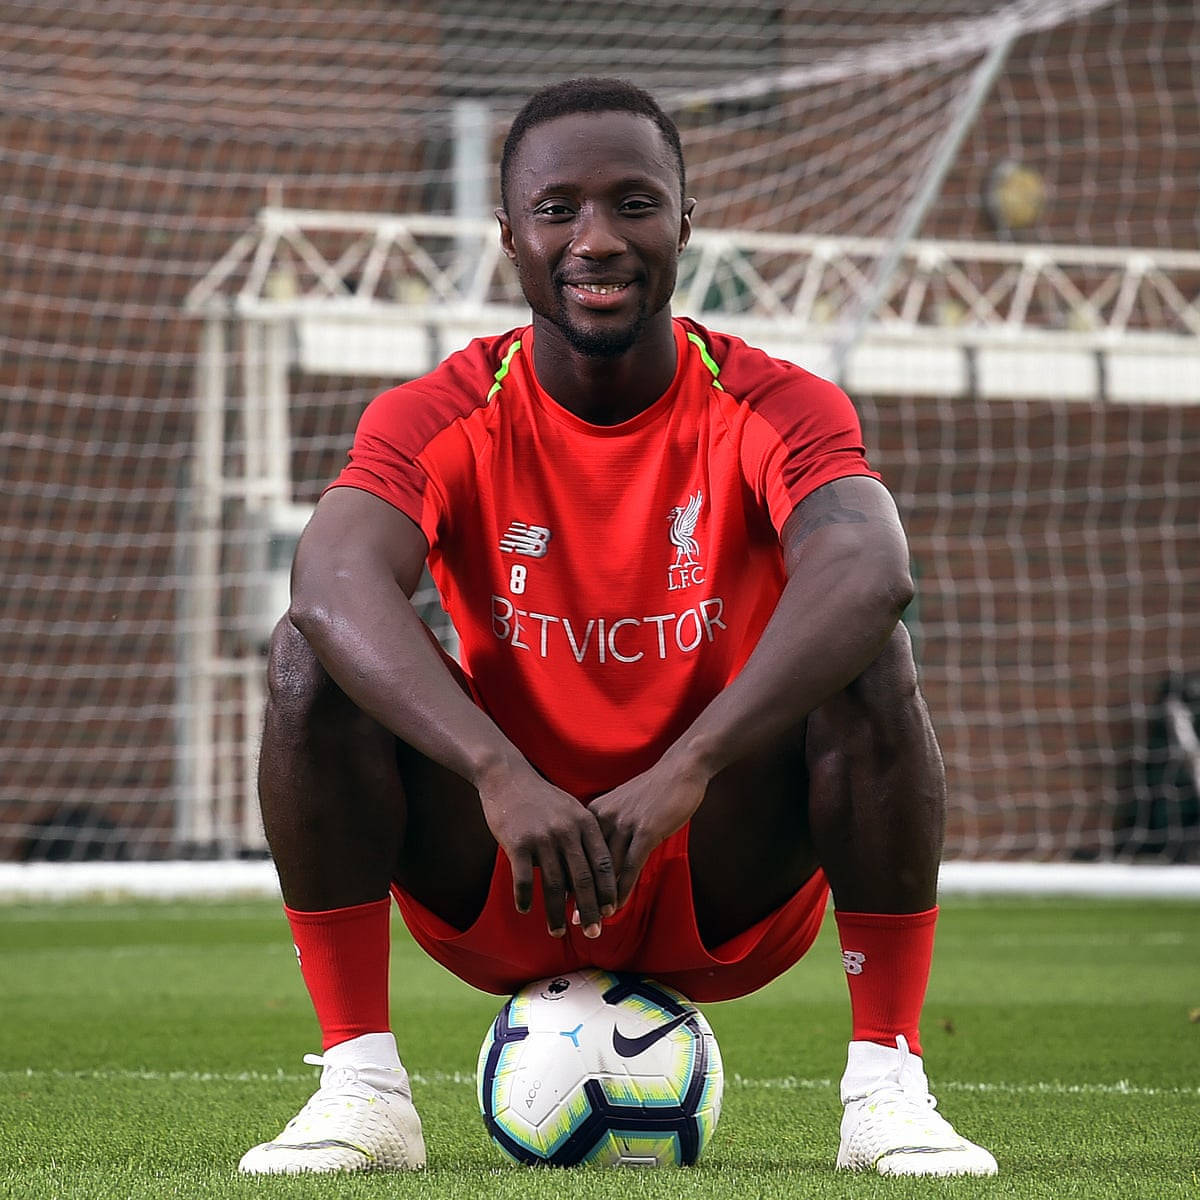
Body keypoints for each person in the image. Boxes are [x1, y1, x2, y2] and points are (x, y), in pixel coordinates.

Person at [238, 77, 998, 1179]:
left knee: (869, 647)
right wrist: (500, 774)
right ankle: (362, 1085)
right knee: (311, 654)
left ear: (685, 221)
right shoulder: (438, 413)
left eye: (634, 204)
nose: (597, 239)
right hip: (507, 861)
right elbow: (333, 578)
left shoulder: (775, 402)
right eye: (559, 210)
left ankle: (887, 1084)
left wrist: (687, 767)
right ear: (510, 235)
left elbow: (869, 564)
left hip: (718, 864)